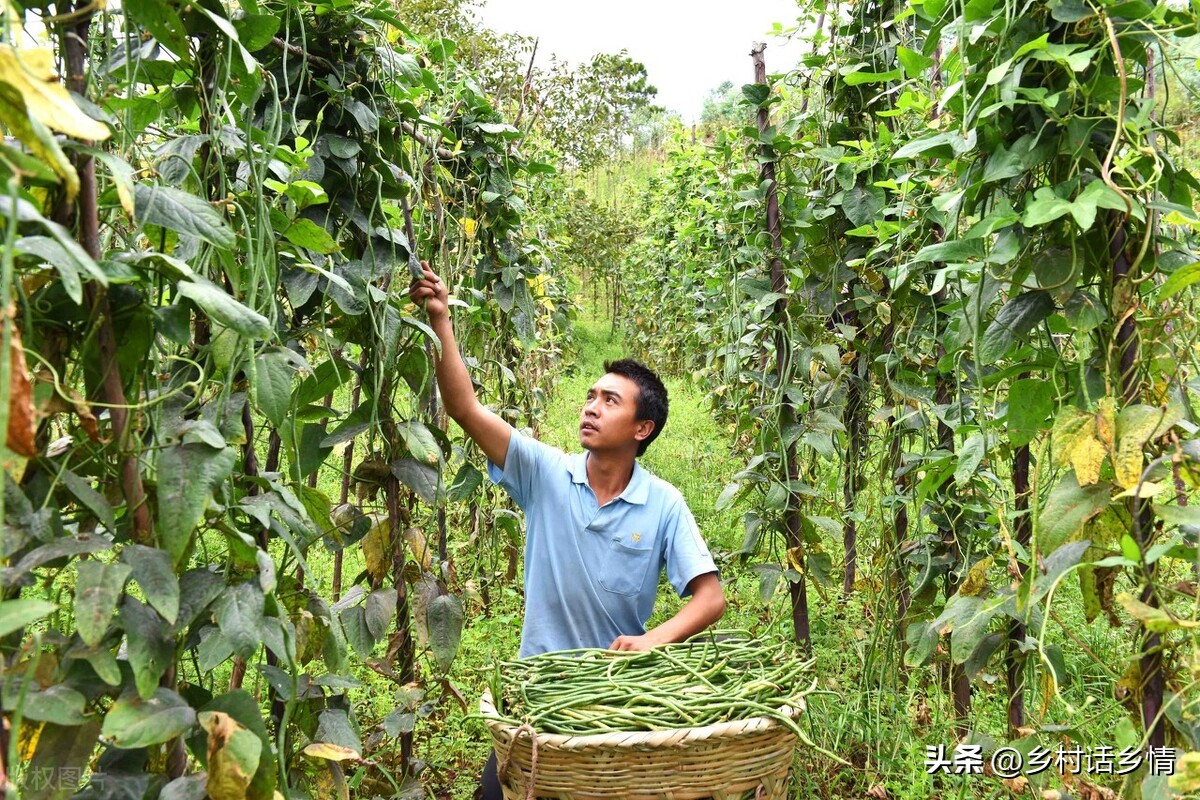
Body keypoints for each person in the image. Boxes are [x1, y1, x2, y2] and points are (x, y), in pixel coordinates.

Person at [409, 265, 726, 799]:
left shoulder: (664, 504)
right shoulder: (545, 473)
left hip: (613, 700)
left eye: (610, 401)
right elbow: (464, 408)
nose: (591, 407)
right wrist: (441, 319)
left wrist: (650, 642)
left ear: (642, 428)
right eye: (591, 396)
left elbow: (711, 597)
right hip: (536, 696)